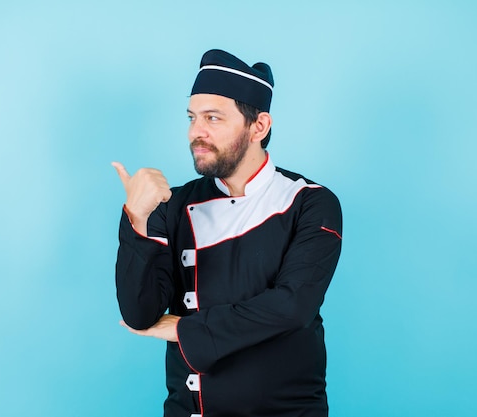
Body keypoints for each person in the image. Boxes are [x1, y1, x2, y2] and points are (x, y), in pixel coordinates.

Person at [112, 49, 342, 417]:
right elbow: (140, 314)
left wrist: (185, 331)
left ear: (259, 126)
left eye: (213, 118)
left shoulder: (310, 202)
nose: (195, 132)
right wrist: (136, 219)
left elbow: (292, 306)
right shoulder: (171, 204)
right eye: (192, 118)